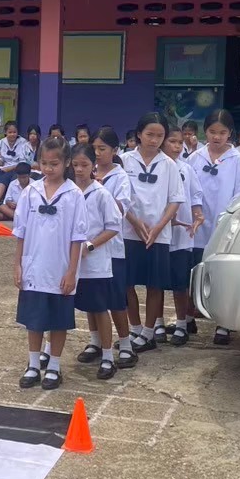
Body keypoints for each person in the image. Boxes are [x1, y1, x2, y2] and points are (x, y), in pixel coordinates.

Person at [13, 138, 87, 391]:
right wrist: (17, 265)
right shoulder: (30, 192)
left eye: (54, 164)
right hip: (33, 265)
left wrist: (72, 271)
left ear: (66, 163)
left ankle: (54, 365)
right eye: (44, 163)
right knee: (34, 320)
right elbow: (21, 232)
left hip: (60, 268)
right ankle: (33, 364)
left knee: (58, 320)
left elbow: (78, 237)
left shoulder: (74, 195)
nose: (48, 168)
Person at [122, 112, 184, 354]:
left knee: (154, 284)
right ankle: (135, 328)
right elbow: (118, 197)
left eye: (160, 136)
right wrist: (135, 222)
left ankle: (149, 333)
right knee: (126, 283)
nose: (154, 140)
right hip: (129, 232)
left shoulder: (169, 165)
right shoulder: (125, 161)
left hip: (158, 235)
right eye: (149, 134)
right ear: (139, 134)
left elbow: (175, 200)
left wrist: (158, 227)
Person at [69, 143, 125, 381]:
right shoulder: (69, 191)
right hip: (75, 262)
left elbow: (113, 226)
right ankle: (94, 344)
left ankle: (108, 356)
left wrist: (90, 245)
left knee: (101, 308)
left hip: (96, 261)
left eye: (84, 165)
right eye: (75, 165)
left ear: (93, 165)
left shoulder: (101, 194)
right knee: (88, 306)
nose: (79, 169)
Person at [189, 110, 240, 346]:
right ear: (205, 131)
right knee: (194, 269)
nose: (216, 137)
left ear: (229, 133)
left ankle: (223, 324)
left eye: (222, 132)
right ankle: (188, 317)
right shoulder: (195, 158)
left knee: (221, 274)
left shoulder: (238, 161)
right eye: (212, 132)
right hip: (197, 224)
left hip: (223, 223)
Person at [92, 127, 138, 369]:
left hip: (112, 246)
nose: (97, 153)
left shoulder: (120, 177)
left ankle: (126, 345)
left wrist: (100, 190)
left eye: (102, 148)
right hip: (89, 245)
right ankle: (95, 341)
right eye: (95, 148)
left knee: (116, 298)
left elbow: (121, 209)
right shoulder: (88, 171)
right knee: (92, 297)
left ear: (114, 150)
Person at [161, 126, 203, 346]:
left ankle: (181, 324)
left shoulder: (186, 168)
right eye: (172, 142)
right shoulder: (157, 167)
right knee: (157, 282)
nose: (177, 147)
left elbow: (196, 195)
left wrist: (197, 214)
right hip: (158, 232)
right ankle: (157, 323)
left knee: (180, 281)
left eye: (180, 143)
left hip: (181, 233)